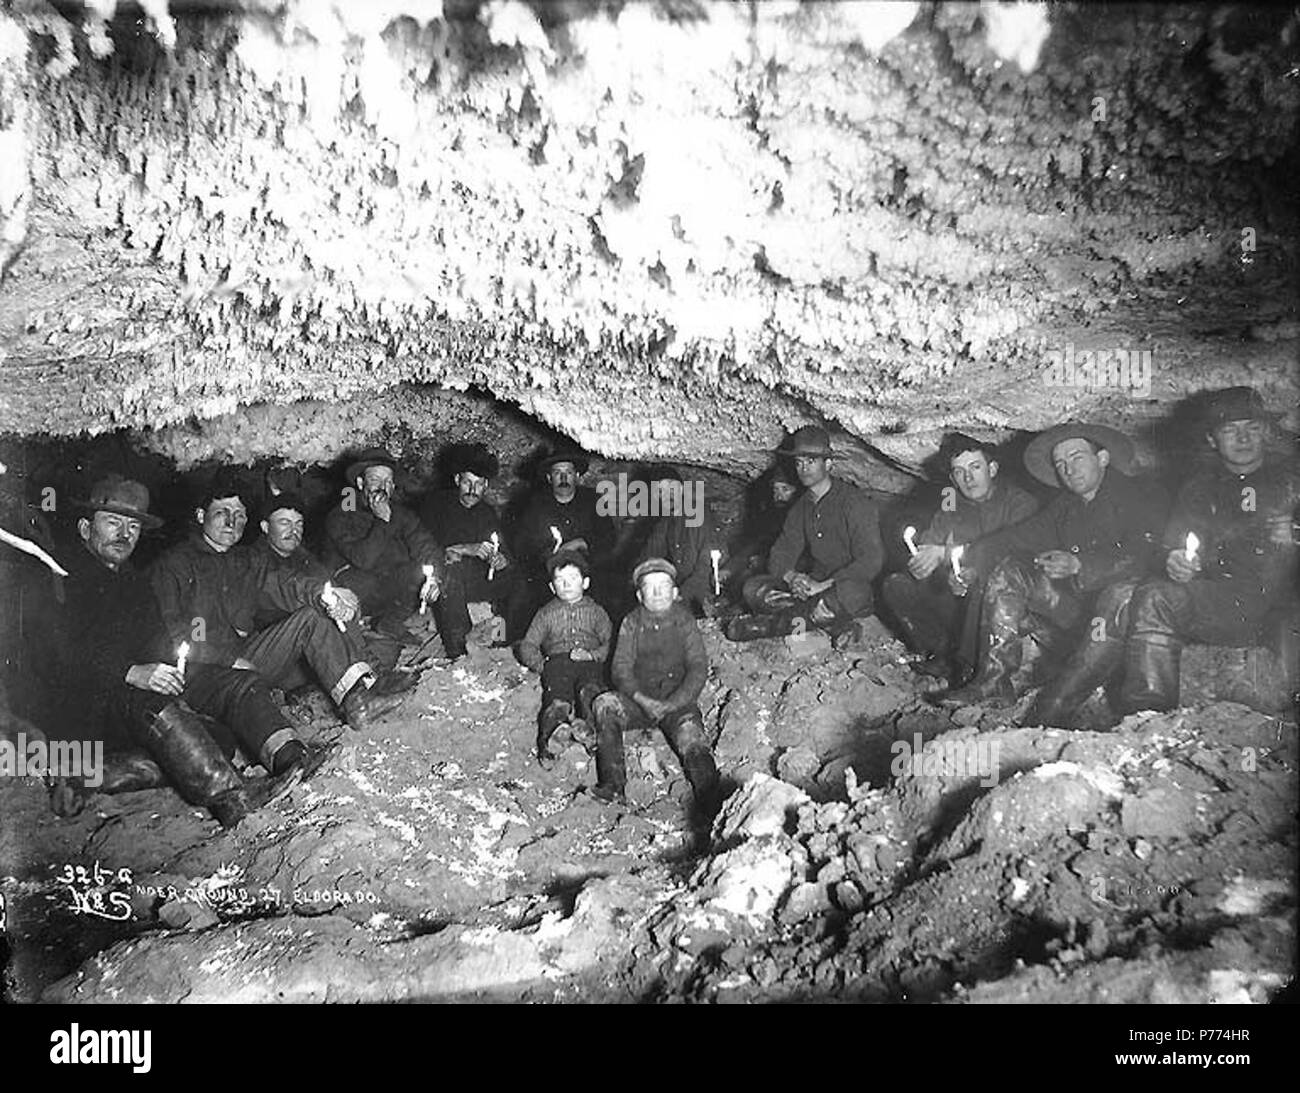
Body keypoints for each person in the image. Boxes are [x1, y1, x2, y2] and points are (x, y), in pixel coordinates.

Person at [24, 476, 304, 827]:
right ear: (85, 527)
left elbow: (157, 643)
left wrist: (177, 671)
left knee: (221, 731)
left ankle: (94, 774)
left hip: (128, 707)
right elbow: (51, 654)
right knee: (157, 711)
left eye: (132, 526)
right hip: (78, 707)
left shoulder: (134, 583)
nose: (124, 534)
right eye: (112, 523)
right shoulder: (55, 574)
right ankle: (232, 798)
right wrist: (131, 672)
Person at [939, 422, 1167, 718]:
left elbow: (1146, 556)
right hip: (1077, 616)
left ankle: (1058, 704)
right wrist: (971, 566)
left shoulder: (1141, 496)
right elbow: (1015, 538)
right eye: (1060, 463)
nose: (1068, 468)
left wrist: (1081, 564)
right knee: (1012, 570)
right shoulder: (1065, 507)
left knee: (1119, 596)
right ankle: (994, 681)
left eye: (1077, 457)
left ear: (1102, 459)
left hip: (1125, 620)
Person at [151, 472, 403, 733]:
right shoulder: (173, 565)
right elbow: (171, 634)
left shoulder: (245, 560)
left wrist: (326, 595)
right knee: (316, 628)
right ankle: (344, 699)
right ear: (201, 516)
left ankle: (358, 700)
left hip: (250, 658)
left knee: (362, 637)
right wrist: (226, 658)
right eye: (222, 512)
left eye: (238, 515)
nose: (231, 521)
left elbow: (286, 584)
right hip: (202, 673)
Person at [1117, 387, 1299, 714]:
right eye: (1230, 430)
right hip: (1226, 603)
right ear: (1213, 440)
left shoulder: (1293, 480)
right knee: (1156, 596)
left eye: (1252, 428)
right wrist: (1175, 561)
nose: (1242, 438)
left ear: (1266, 433)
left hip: (1285, 605)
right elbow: (1172, 545)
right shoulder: (1198, 488)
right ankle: (1148, 714)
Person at [881, 433, 1038, 682]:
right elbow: (932, 540)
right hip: (960, 597)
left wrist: (957, 562)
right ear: (953, 478)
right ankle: (943, 655)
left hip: (1002, 604)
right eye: (959, 472)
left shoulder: (1019, 503)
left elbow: (1015, 554)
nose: (968, 478)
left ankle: (977, 669)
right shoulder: (952, 504)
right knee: (896, 585)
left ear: (992, 469)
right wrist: (922, 561)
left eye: (975, 467)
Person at [589, 559, 720, 820]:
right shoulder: (630, 622)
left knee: (692, 738)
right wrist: (641, 699)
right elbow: (621, 669)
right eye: (650, 587)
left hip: (677, 702)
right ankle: (614, 785)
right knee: (604, 704)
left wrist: (674, 703)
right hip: (639, 702)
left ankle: (710, 800)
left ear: (675, 592)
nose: (658, 593)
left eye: (664, 586)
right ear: (640, 595)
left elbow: (697, 668)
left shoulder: (684, 622)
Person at [728, 426, 884, 641]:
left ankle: (769, 627)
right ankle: (831, 625)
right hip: (811, 587)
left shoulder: (854, 503)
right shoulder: (800, 507)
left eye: (811, 461)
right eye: (799, 462)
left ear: (828, 464)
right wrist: (793, 578)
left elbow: (871, 560)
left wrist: (824, 585)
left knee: (851, 594)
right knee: (753, 588)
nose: (804, 468)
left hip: (843, 587)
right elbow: (781, 553)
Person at [322, 447, 444, 643]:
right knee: (361, 581)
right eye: (375, 480)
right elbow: (364, 559)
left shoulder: (401, 513)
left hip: (388, 589)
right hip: (356, 591)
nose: (382, 487)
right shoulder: (342, 514)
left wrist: (435, 578)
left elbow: (426, 545)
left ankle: (390, 624)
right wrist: (382, 521)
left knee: (417, 572)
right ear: (361, 483)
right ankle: (352, 633)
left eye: (387, 482)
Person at [516, 550, 612, 767]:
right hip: (557, 662)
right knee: (557, 697)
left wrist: (594, 655)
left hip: (588, 662)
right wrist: (542, 666)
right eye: (560, 580)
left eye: (573, 578)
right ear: (552, 587)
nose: (566, 584)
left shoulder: (596, 612)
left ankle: (590, 733)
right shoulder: (545, 613)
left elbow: (610, 642)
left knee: (591, 691)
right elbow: (528, 644)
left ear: (585, 582)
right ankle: (551, 740)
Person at [420, 443, 514, 659]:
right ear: (457, 481)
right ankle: (461, 650)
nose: (472, 490)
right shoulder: (435, 505)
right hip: (444, 581)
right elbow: (423, 549)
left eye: (479, 484)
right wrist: (465, 549)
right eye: (467, 482)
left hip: (477, 581)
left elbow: (506, 553)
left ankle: (508, 643)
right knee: (450, 574)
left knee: (518, 578)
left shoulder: (487, 512)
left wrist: (501, 560)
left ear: (486, 485)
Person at [507, 448, 614, 638]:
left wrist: (582, 543)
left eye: (569, 473)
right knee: (522, 591)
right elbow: (522, 546)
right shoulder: (535, 504)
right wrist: (549, 556)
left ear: (577, 476)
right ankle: (519, 643)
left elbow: (609, 539)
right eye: (557, 473)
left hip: (588, 568)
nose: (563, 478)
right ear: (549, 478)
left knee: (608, 589)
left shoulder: (594, 501)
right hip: (546, 570)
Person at [636, 464, 728, 617]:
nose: (667, 495)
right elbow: (649, 555)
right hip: (684, 589)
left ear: (682, 490)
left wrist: (681, 598)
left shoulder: (699, 515)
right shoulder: (667, 521)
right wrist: (639, 583)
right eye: (660, 491)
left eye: (671, 487)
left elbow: (707, 569)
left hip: (708, 592)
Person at [725, 462, 800, 590]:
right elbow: (756, 544)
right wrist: (729, 569)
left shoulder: (804, 517)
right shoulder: (773, 516)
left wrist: (764, 562)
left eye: (785, 489)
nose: (778, 496)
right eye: (775, 490)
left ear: (797, 491)